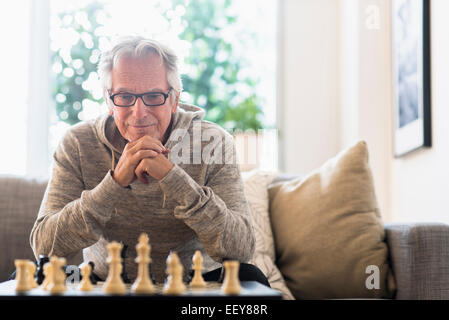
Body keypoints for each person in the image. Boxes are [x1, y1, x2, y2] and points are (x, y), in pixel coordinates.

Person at [30, 35, 269, 287]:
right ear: (109, 100)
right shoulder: (77, 143)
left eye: (154, 96)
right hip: (105, 283)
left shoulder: (213, 141)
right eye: (124, 97)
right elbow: (44, 247)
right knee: (27, 280)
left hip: (195, 285)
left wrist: (175, 180)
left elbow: (242, 249)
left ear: (175, 99)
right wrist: (113, 184)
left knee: (252, 277)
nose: (139, 112)